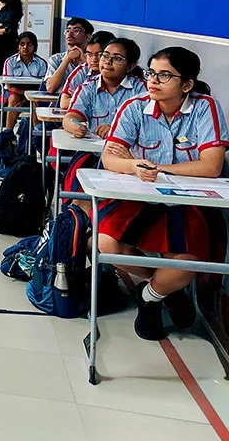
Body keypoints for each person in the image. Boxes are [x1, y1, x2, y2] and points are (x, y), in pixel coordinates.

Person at [97, 47, 228, 341]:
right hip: (140, 195)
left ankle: (150, 296)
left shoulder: (205, 108)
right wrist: (133, 165)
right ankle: (166, 289)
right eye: (151, 73)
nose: (153, 81)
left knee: (186, 263)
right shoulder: (134, 107)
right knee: (106, 243)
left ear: (187, 84)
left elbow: (211, 166)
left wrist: (158, 168)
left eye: (165, 75)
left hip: (188, 201)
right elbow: (110, 157)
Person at [60, 38, 146, 205]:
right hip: (93, 154)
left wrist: (115, 129)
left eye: (117, 58)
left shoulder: (142, 89)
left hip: (128, 158)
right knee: (79, 191)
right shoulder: (88, 87)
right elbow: (70, 117)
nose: (108, 61)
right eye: (105, 55)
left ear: (130, 66)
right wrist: (75, 126)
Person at [0, 31, 47, 130]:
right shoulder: (10, 62)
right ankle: (8, 133)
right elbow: (9, 86)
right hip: (14, 91)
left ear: (34, 47)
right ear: (18, 46)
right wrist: (25, 95)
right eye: (22, 44)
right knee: (13, 100)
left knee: (35, 103)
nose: (25, 47)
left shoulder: (41, 63)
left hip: (34, 93)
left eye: (29, 44)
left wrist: (28, 99)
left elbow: (42, 87)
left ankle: (36, 134)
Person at [59, 30, 115, 110]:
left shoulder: (118, 74)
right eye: (89, 55)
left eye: (99, 55)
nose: (94, 59)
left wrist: (81, 100)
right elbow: (64, 103)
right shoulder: (82, 71)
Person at [44, 17, 94, 95]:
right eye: (67, 31)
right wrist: (67, 59)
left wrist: (84, 61)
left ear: (88, 37)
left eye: (76, 31)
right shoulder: (55, 59)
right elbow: (50, 88)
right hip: (59, 101)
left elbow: (95, 85)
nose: (69, 34)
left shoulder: (93, 59)